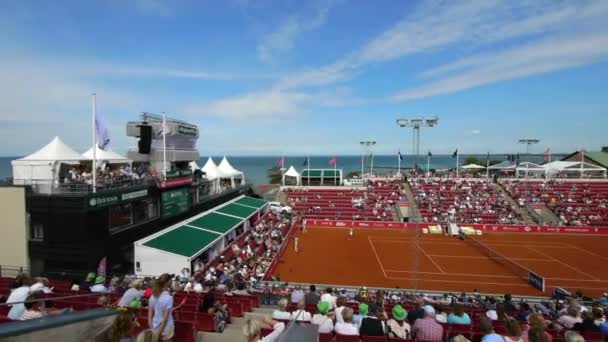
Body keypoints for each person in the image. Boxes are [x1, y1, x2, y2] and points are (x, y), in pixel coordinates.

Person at [148, 274, 174, 341]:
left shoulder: (152, 297)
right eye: (171, 279)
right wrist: (158, 334)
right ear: (167, 282)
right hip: (166, 328)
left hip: (154, 326)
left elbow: (149, 317)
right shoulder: (169, 298)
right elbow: (165, 320)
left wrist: (153, 330)